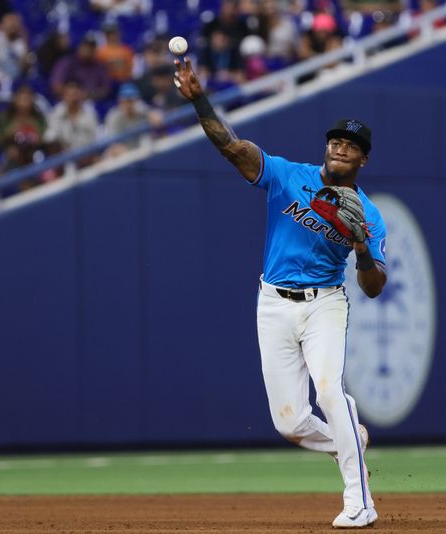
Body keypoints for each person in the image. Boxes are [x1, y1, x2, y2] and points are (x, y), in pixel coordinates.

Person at [174, 57, 386, 529]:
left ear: (363, 159)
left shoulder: (369, 215)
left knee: (331, 392)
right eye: (335, 141)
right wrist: (199, 99)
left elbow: (373, 288)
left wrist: (362, 250)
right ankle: (349, 437)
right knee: (289, 423)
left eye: (351, 146)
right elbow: (232, 147)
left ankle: (360, 500)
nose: (340, 149)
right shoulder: (291, 177)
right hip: (272, 303)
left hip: (325, 304)